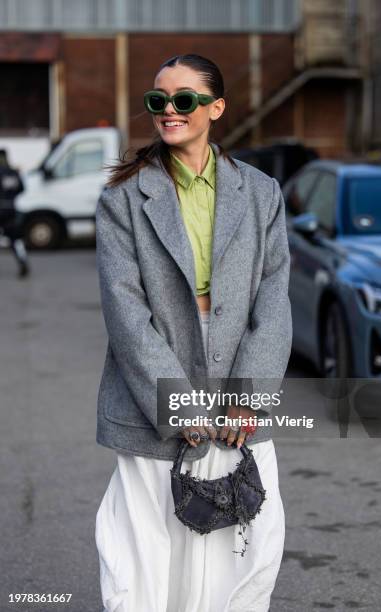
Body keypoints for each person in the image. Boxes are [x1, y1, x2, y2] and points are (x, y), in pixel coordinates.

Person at [94, 54, 292, 612]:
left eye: (184, 99)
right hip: (153, 385)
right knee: (144, 552)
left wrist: (247, 399)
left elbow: (272, 302)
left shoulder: (260, 193)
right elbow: (127, 314)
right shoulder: (122, 200)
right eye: (159, 100)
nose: (169, 111)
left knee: (243, 547)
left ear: (216, 108)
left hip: (238, 381)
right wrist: (178, 403)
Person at [0, 149, 30, 277]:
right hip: (11, 208)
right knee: (15, 239)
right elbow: (22, 188)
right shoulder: (13, 173)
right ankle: (22, 261)